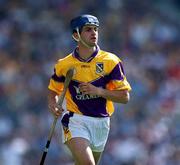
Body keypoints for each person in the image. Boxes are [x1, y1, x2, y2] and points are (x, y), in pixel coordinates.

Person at [48, 14, 131, 165]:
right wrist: (53, 104)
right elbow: (53, 89)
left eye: (95, 29)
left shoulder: (111, 61)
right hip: (75, 120)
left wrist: (98, 91)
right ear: (76, 35)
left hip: (102, 123)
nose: (94, 33)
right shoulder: (64, 64)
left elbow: (124, 97)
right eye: (88, 30)